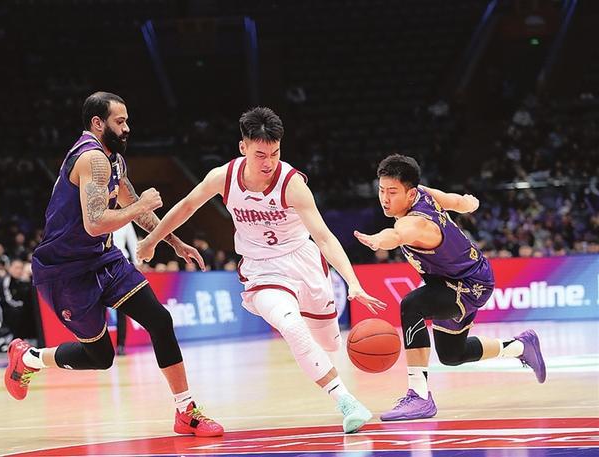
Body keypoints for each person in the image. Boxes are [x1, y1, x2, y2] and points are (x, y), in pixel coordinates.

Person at [137, 107, 385, 434]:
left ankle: (330, 362)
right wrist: (152, 240)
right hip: (262, 270)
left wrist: (353, 282)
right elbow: (186, 206)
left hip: (303, 262)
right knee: (292, 327)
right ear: (243, 147)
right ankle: (346, 402)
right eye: (260, 154)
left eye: (275, 153)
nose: (269, 162)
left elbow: (324, 237)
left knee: (330, 343)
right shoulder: (223, 177)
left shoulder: (292, 184)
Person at [4, 92, 223, 437]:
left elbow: (132, 204)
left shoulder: (114, 160)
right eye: (120, 122)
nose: (127, 128)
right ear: (97, 123)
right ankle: (28, 358)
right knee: (100, 357)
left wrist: (175, 243)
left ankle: (186, 411)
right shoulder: (90, 158)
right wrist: (140, 206)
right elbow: (95, 223)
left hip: (104, 260)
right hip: (66, 272)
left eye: (126, 121)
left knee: (159, 320)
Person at [354, 154, 546, 421]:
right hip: (456, 279)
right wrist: (468, 203)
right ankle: (520, 346)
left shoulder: (415, 223)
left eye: (392, 192)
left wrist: (377, 240)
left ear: (410, 194)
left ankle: (419, 396)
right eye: (382, 190)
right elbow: (452, 201)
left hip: (468, 284)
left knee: (412, 306)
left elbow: (396, 235)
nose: (385, 198)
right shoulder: (423, 193)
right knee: (452, 354)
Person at [112, 222, 139, 355]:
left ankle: (121, 345)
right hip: (100, 264)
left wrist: (138, 263)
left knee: (122, 307)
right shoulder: (97, 215)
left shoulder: (126, 221)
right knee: (99, 309)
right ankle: (100, 347)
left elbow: (133, 243)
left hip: (121, 265)